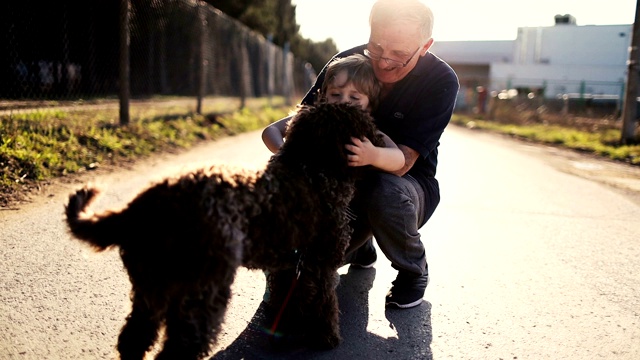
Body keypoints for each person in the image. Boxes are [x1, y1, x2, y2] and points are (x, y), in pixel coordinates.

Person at [265, 0, 459, 309]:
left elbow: (402, 163)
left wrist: (369, 154)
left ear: (425, 46)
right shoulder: (347, 64)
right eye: (376, 47)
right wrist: (295, 157)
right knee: (311, 259)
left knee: (385, 191)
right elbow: (294, 122)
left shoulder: (440, 81)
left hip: (404, 185)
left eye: (398, 54)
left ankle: (413, 270)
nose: (383, 62)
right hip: (339, 184)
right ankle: (359, 248)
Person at [263, 53, 405, 172]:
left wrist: (373, 155)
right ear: (324, 96)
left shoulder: (366, 133)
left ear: (369, 106)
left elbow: (399, 159)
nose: (343, 101)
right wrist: (285, 153)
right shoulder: (313, 118)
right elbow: (271, 130)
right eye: (336, 94)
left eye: (354, 97)